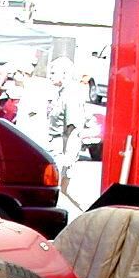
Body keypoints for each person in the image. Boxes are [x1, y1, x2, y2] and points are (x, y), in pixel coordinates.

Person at [45, 57, 87, 199]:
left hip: (63, 146)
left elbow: (72, 128)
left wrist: (67, 156)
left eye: (53, 73)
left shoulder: (71, 93)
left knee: (60, 192)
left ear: (64, 74)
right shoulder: (62, 92)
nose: (50, 76)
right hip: (56, 144)